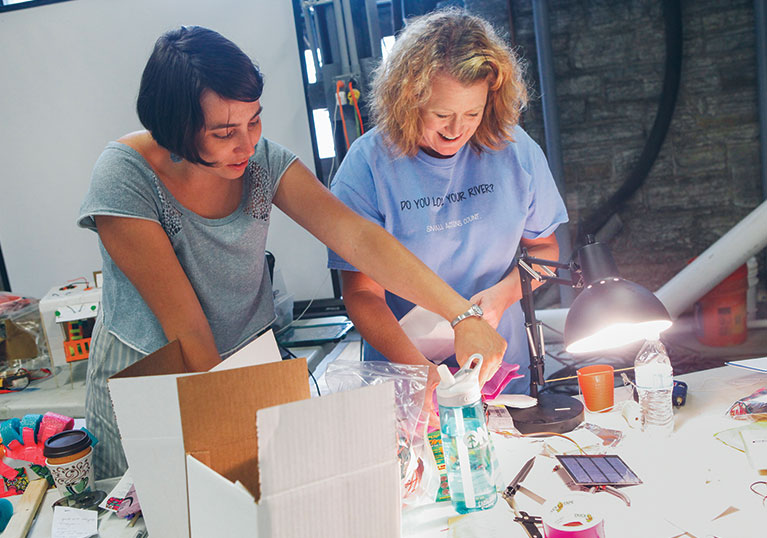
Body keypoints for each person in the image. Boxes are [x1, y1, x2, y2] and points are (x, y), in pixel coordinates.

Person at [77, 26, 506, 479]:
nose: (246, 144)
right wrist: (256, 447)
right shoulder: (125, 176)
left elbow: (357, 238)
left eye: (254, 121)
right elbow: (189, 335)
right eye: (225, 132)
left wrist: (463, 316)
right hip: (154, 379)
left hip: (250, 366)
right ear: (175, 127)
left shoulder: (258, 160)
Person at [327, 9, 568, 403]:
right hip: (406, 379)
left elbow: (544, 251)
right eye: (441, 115)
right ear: (408, 99)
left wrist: (503, 295)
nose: (456, 130)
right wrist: (423, 376)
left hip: (501, 376)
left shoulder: (515, 151)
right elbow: (361, 294)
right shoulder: (368, 166)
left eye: (472, 114)